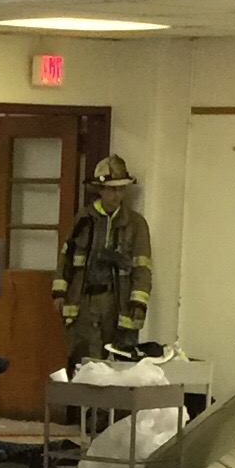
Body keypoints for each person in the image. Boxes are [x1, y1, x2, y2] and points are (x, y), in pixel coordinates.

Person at [53, 154, 153, 366]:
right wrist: (59, 292)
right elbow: (66, 256)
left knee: (120, 364)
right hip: (85, 302)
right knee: (83, 362)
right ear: (99, 189)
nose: (116, 194)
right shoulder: (83, 219)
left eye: (121, 189)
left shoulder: (136, 224)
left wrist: (138, 302)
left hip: (118, 304)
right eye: (111, 189)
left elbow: (142, 268)